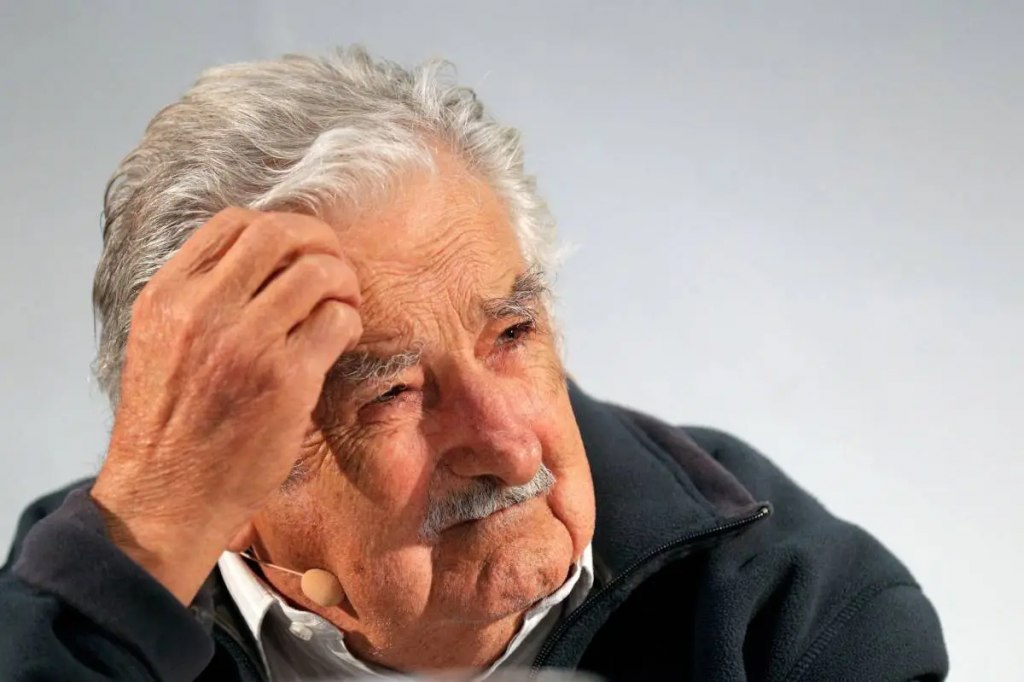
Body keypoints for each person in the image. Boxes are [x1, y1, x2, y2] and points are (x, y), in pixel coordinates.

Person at [0, 46, 947, 681]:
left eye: (512, 335)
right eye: (391, 391)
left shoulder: (783, 607)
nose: (507, 444)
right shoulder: (90, 605)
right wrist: (139, 547)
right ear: (230, 461)